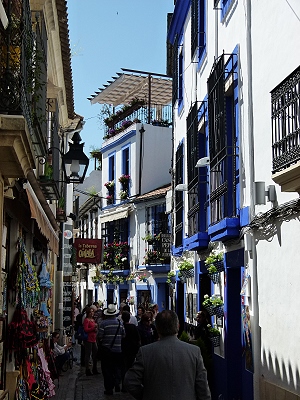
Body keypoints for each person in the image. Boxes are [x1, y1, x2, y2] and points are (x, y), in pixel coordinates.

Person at [124, 310, 211, 400]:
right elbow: (203, 387)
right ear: (178, 326)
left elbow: (130, 381)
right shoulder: (194, 352)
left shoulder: (145, 352)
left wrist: (145, 395)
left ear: (157, 328)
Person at [98, 304, 126, 396]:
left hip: (106, 351)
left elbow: (100, 336)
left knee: (107, 370)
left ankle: (109, 388)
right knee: (117, 368)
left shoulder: (103, 323)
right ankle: (117, 382)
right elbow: (123, 335)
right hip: (118, 350)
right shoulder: (119, 323)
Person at [121, 311, 141, 392]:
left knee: (123, 367)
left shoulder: (121, 327)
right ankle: (130, 384)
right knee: (130, 367)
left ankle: (124, 385)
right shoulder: (133, 327)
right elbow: (138, 339)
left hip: (123, 349)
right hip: (132, 350)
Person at [83, 306, 99, 376]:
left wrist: (95, 329)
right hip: (88, 339)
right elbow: (86, 329)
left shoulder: (93, 320)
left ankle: (94, 368)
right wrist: (93, 328)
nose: (92, 313)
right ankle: (87, 369)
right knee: (88, 354)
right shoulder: (86, 320)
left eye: (93, 312)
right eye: (90, 312)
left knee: (95, 353)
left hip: (93, 338)